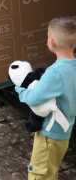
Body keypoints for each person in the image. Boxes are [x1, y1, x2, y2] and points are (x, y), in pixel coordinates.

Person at [15, 16, 76, 180]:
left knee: (39, 175)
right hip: (64, 133)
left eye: (47, 36)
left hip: (50, 135)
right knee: (51, 170)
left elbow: (34, 98)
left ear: (53, 42)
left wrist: (20, 88)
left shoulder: (55, 72)